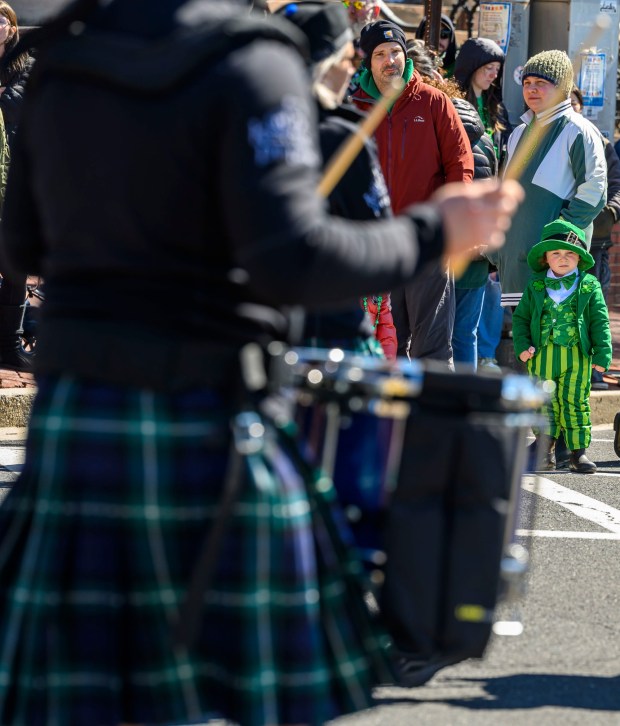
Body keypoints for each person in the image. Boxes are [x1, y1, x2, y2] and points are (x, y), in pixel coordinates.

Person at [0, 0, 523, 724]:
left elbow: (22, 244)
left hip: (77, 423)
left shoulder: (66, 57)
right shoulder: (254, 61)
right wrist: (437, 228)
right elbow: (292, 259)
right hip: (208, 421)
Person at [277, 0, 397, 360]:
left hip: (260, 326)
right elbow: (381, 239)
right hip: (331, 331)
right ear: (325, 62)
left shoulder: (240, 125)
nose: (351, 70)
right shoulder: (343, 137)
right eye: (348, 60)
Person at [351, 19, 474, 366]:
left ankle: (434, 419)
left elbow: (460, 165)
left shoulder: (433, 102)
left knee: (431, 346)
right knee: (386, 344)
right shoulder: (355, 107)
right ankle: (390, 420)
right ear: (367, 61)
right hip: (375, 245)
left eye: (396, 52)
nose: (390, 60)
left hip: (427, 242)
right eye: (380, 54)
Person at [489, 50, 606, 304]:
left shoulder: (578, 130)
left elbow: (595, 192)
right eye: (527, 83)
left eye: (541, 83)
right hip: (515, 265)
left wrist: (558, 240)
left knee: (558, 342)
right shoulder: (518, 132)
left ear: (562, 87)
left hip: (555, 266)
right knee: (525, 342)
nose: (532, 89)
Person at [513, 220, 611, 473]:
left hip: (576, 355)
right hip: (541, 355)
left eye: (570, 253)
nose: (563, 258)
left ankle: (578, 454)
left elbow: (600, 320)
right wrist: (522, 345)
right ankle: (544, 451)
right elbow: (521, 318)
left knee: (575, 401)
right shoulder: (535, 285)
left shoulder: (590, 285)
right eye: (556, 253)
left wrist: (603, 352)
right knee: (544, 402)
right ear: (546, 258)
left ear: (579, 258)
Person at [570, 85, 620, 391]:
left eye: (576, 102)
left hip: (597, 245)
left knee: (593, 308)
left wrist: (610, 214)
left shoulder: (601, 143)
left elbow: (616, 184)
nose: (572, 107)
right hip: (562, 244)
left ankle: (594, 371)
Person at [0, 1, 34, 372]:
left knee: (14, 264)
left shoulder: (27, 66)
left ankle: (9, 345)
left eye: (0, 21)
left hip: (15, 173)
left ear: (11, 27)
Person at [415, 13, 458, 77]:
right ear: (421, 36)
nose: (438, 40)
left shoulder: (458, 68)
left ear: (451, 38)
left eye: (444, 34)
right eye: (431, 34)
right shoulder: (411, 64)